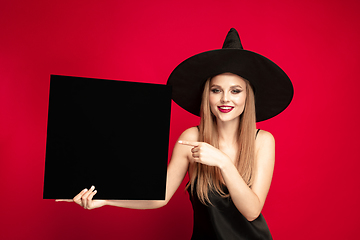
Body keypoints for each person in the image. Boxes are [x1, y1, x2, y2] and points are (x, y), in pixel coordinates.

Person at [57, 28, 293, 240]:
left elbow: (252, 211)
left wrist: (222, 162)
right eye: (216, 90)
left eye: (235, 91)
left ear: (246, 97)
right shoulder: (191, 139)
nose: (225, 99)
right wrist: (106, 199)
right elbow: (160, 197)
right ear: (207, 95)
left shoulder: (262, 140)